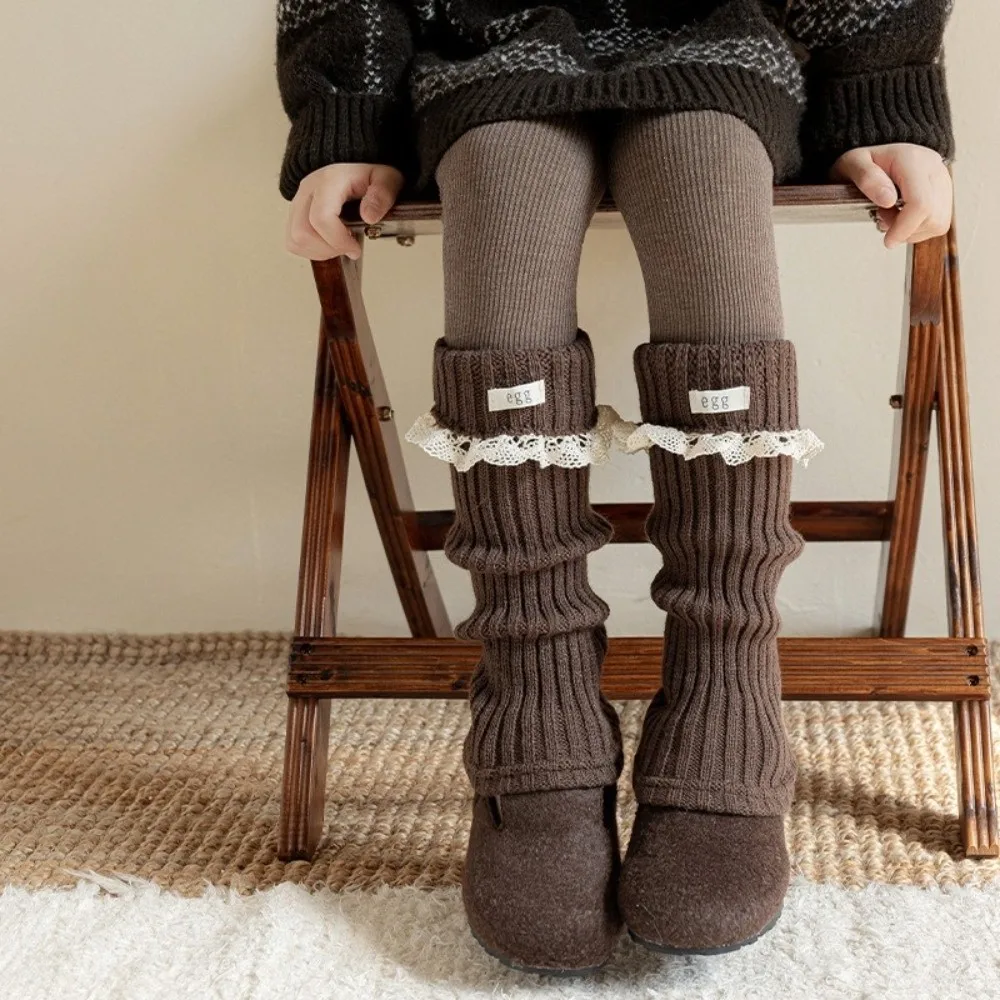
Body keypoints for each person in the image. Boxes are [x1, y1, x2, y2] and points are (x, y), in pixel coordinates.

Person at [275, 0, 955, 975]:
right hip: (487, 59)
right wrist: (350, 112)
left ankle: (726, 686)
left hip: (722, 45)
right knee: (502, 173)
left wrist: (879, 91)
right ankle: (536, 693)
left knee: (703, 159)